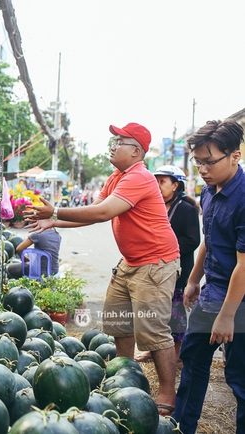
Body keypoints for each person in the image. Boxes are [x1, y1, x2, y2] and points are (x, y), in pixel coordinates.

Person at [25, 122, 181, 415]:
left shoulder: (139, 177)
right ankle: (128, 378)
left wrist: (56, 211)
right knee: (119, 322)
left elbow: (103, 212)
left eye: (119, 141)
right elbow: (94, 214)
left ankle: (167, 392)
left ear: (136, 151)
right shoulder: (117, 177)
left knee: (153, 331)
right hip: (131, 262)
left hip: (155, 263)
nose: (112, 146)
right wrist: (54, 222)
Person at [174, 120, 245, 433]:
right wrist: (192, 280)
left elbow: (244, 265)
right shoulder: (208, 192)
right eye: (197, 161)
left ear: (235, 156)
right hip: (213, 291)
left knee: (239, 377)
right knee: (193, 358)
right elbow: (209, 239)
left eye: (209, 161)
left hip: (238, 300)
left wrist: (227, 316)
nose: (202, 168)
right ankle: (182, 425)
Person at [135, 165, 201, 366]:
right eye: (156, 180)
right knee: (154, 314)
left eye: (162, 181)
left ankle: (177, 355)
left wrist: (164, 246)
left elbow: (193, 240)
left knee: (175, 315)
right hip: (153, 269)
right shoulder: (153, 206)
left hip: (177, 271)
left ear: (175, 186)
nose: (157, 185)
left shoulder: (187, 209)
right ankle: (150, 351)